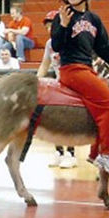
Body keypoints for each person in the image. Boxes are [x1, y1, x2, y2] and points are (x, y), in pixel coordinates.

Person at [51, 0, 109, 176]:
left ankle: (96, 153)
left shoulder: (93, 19)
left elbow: (105, 47)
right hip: (71, 69)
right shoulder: (61, 16)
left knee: (103, 108)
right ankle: (108, 154)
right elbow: (56, 46)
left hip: (87, 70)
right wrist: (62, 25)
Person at [36, 10, 77, 168]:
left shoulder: (70, 40)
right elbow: (45, 65)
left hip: (73, 82)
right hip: (59, 83)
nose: (49, 29)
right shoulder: (49, 44)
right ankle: (59, 151)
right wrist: (36, 81)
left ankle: (71, 154)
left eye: (51, 25)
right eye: (47, 27)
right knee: (54, 118)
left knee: (69, 119)